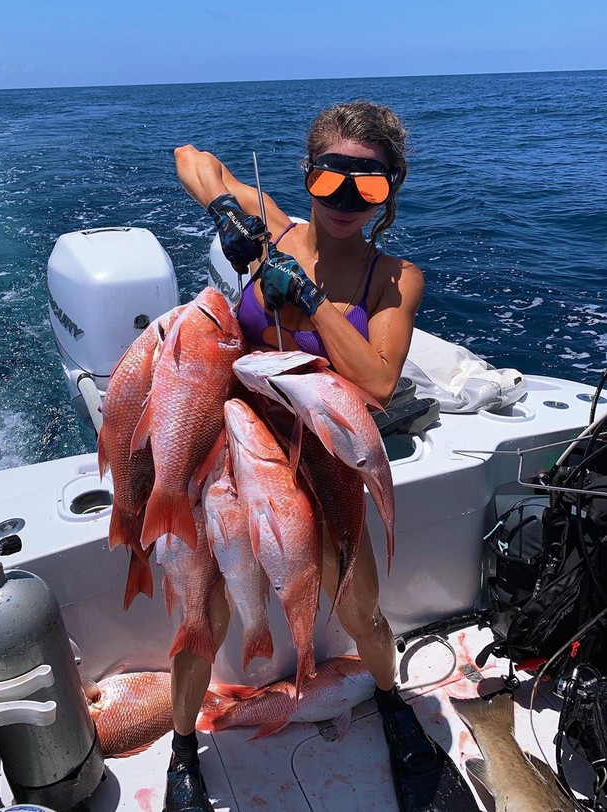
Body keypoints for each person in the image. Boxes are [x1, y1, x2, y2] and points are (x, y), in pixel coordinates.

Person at [170, 101, 475, 812]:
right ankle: (185, 749)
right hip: (236, 443)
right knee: (203, 611)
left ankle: (393, 704)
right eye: (330, 177)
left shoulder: (393, 278)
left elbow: (374, 381)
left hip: (324, 459)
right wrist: (226, 214)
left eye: (367, 186)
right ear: (307, 175)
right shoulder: (271, 229)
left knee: (364, 613)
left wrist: (309, 300)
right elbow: (190, 156)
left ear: (391, 190)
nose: (343, 199)